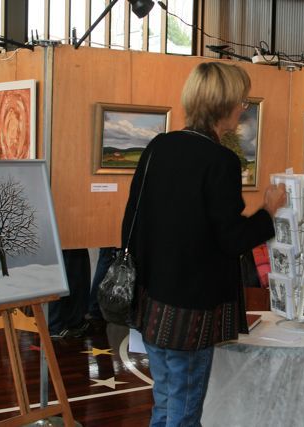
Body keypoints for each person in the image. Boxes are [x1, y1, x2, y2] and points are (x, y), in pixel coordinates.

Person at [121, 61, 287, 426]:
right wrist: (268, 212)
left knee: (165, 404)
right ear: (223, 104)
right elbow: (232, 239)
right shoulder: (220, 160)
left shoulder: (158, 146)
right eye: (241, 100)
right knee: (183, 414)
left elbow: (132, 222)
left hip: (150, 303)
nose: (243, 108)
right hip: (189, 314)